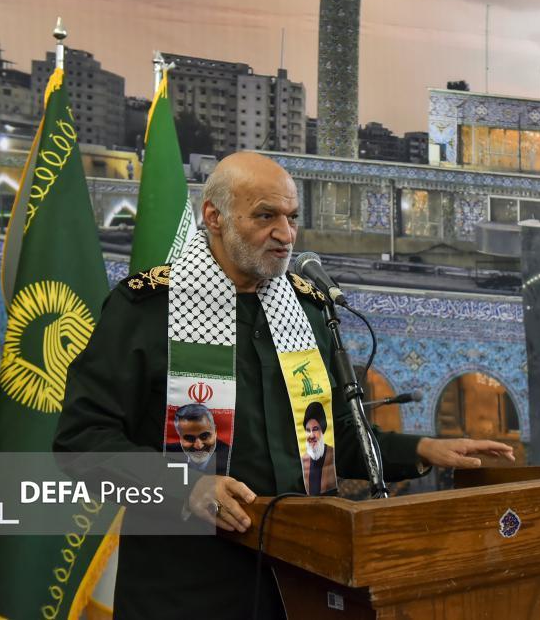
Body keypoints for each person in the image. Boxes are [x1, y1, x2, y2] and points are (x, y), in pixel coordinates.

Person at [53, 152, 514, 619]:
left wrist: (423, 449)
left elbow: (328, 443)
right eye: (265, 216)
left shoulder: (308, 312)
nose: (286, 234)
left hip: (300, 587)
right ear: (214, 217)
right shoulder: (149, 310)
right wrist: (187, 486)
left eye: (292, 218)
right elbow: (81, 442)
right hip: (185, 590)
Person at [165, 403, 230, 474]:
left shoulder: (230, 455)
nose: (199, 446)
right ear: (179, 436)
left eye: (204, 436)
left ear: (215, 432)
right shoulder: (167, 453)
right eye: (190, 438)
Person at [300, 401, 336, 495]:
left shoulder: (333, 454)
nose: (311, 435)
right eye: (308, 430)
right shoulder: (303, 460)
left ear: (322, 430)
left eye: (315, 429)